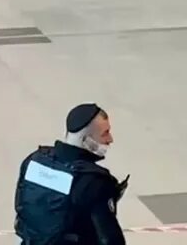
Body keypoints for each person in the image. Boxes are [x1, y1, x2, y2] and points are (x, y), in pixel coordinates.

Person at [13, 104, 127, 245]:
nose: (110, 139)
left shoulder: (33, 161)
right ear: (87, 140)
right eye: (105, 133)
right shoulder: (94, 182)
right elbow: (110, 238)